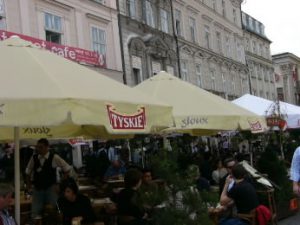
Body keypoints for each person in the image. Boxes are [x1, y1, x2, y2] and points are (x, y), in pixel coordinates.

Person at [25, 138, 72, 220]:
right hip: (38, 189)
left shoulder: (54, 157)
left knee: (58, 208)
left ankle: (63, 221)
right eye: (37, 147)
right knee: (35, 212)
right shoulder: (34, 158)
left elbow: (67, 169)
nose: (38, 149)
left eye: (41, 147)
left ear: (47, 147)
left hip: (51, 188)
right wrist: (28, 186)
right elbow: (28, 172)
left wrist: (60, 185)